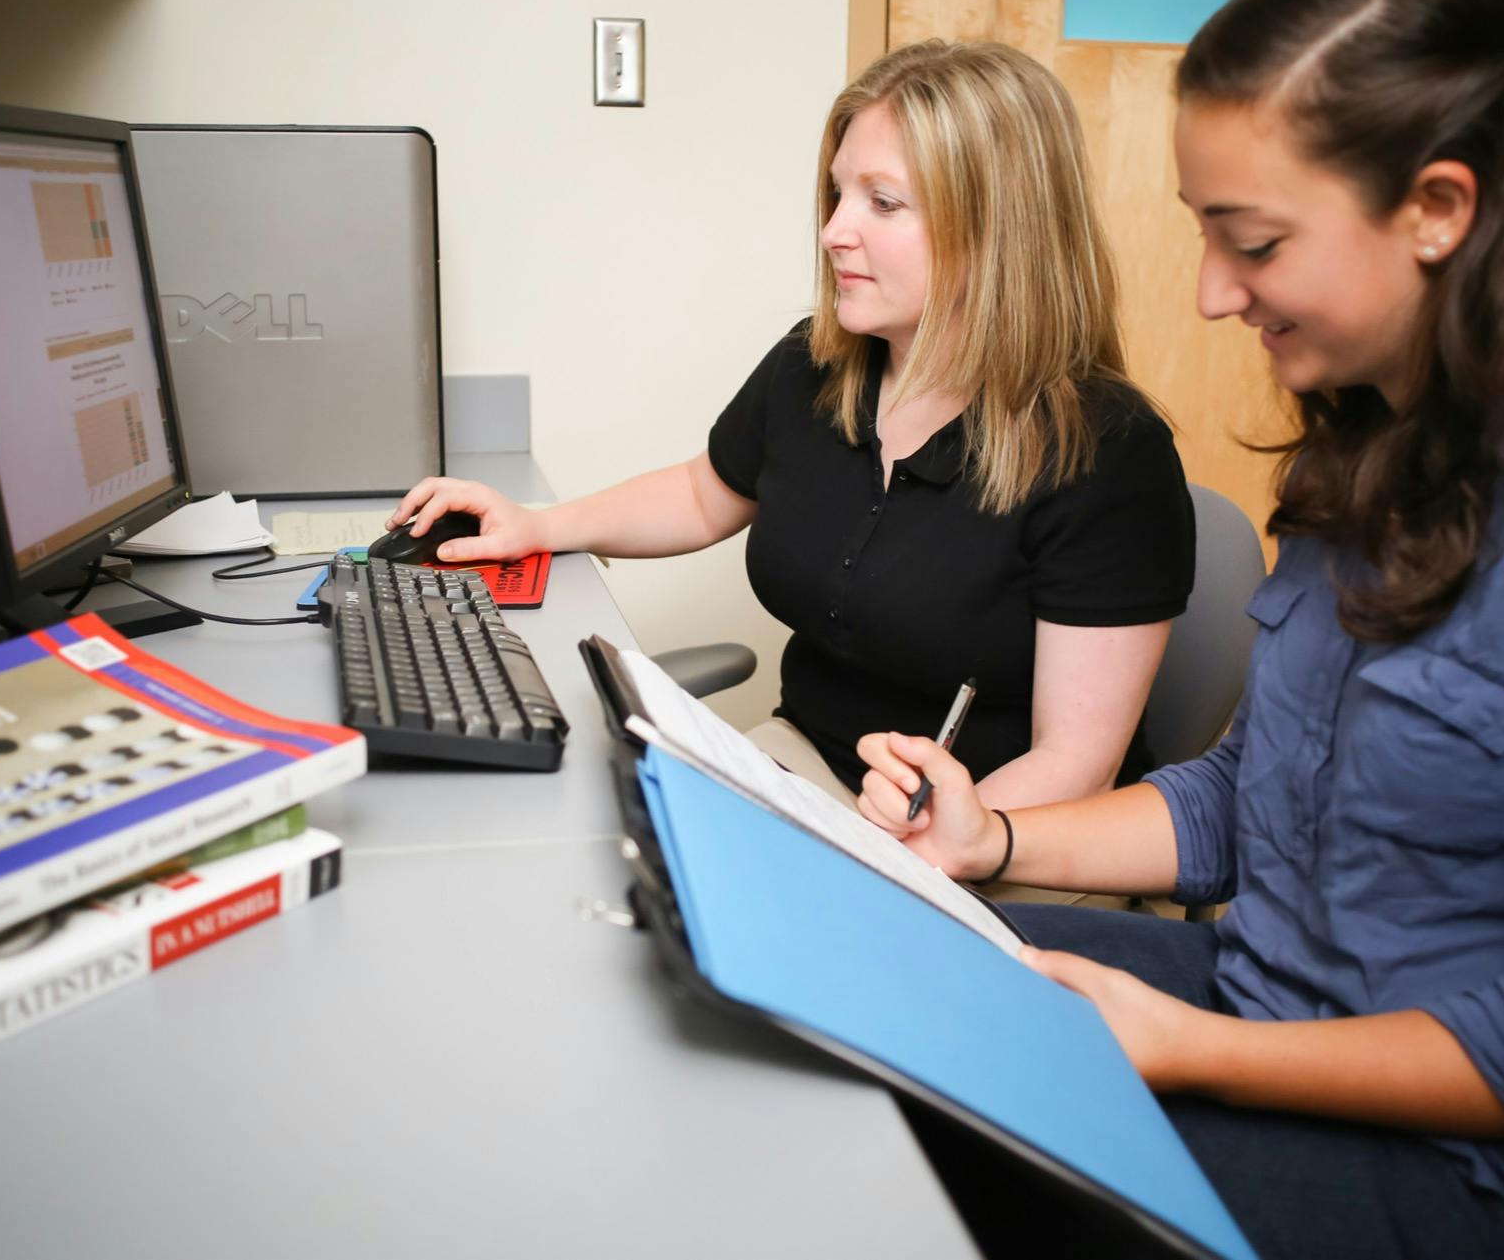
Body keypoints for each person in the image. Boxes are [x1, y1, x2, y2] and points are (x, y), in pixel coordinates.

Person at [856, 0, 1504, 1256]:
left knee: (907, 1161)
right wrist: (994, 842)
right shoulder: (1374, 436)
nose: (1210, 293)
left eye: (1252, 244)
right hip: (1262, 1010)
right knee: (872, 976)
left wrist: (1196, 1054)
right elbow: (1246, 797)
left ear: (1439, 209)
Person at [386, 41, 1195, 813]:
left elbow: (1075, 763)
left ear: (998, 228)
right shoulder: (818, 366)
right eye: (838, 195)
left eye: (882, 202)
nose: (835, 229)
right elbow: (706, 494)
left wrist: (916, 846)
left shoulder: (1108, 452)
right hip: (806, 768)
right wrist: (537, 524)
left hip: (994, 827)